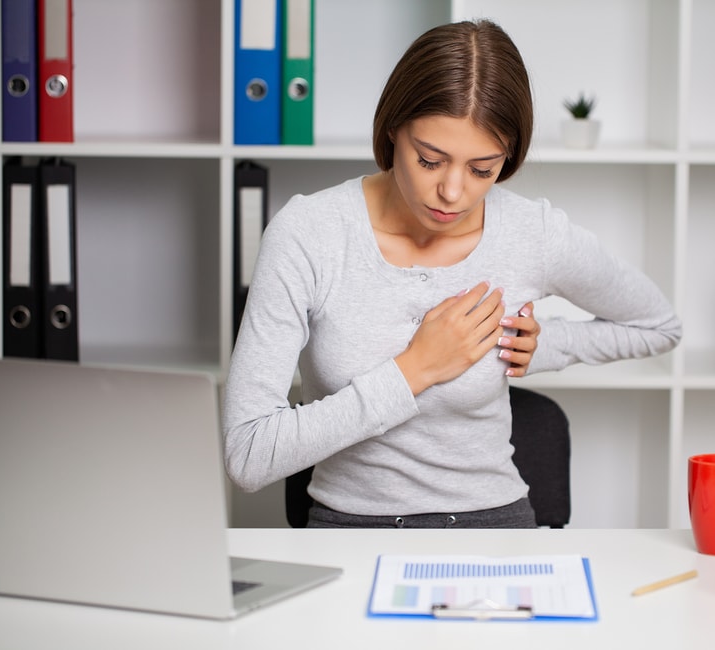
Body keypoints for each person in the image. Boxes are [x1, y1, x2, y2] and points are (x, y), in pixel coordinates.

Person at [223, 19, 682, 528]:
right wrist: (415, 369)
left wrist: (542, 346)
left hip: (495, 527)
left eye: (482, 169)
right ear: (393, 130)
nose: (453, 193)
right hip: (349, 532)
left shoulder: (532, 233)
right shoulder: (308, 234)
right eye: (430, 160)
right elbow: (247, 453)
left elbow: (660, 326)